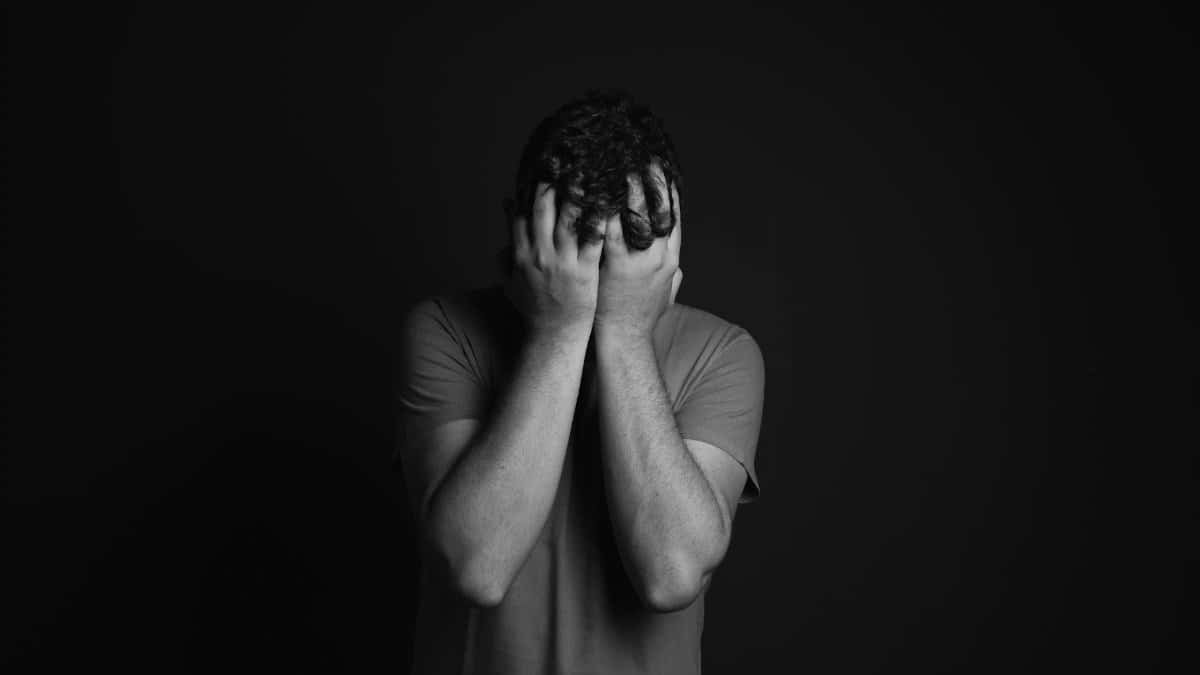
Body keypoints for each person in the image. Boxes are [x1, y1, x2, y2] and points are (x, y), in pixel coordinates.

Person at [394, 88, 766, 675]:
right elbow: (476, 566)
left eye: (627, 245)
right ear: (523, 238)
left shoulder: (722, 352)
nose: (597, 270)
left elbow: (671, 573)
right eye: (580, 243)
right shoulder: (445, 331)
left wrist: (623, 332)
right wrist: (559, 331)